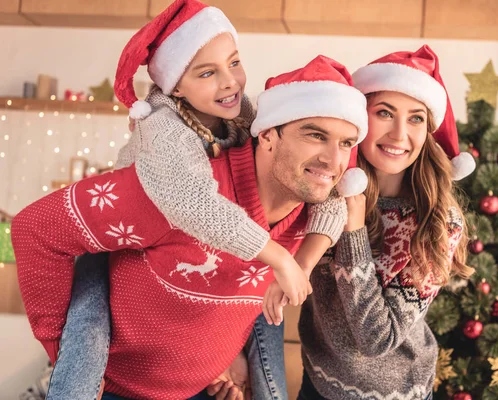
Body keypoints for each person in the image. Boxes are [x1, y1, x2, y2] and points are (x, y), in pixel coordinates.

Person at [12, 49, 368, 399]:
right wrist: (66, 356)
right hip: (115, 391)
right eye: (315, 135)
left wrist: (231, 355)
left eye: (346, 143)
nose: (333, 159)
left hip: (204, 390)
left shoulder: (314, 208)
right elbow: (36, 229)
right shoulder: (176, 191)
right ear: (269, 137)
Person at [262, 45, 476, 400]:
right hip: (317, 380)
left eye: (415, 118)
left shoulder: (439, 222)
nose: (398, 134)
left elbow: (378, 339)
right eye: (385, 113)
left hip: (394, 392)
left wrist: (354, 232)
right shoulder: (323, 183)